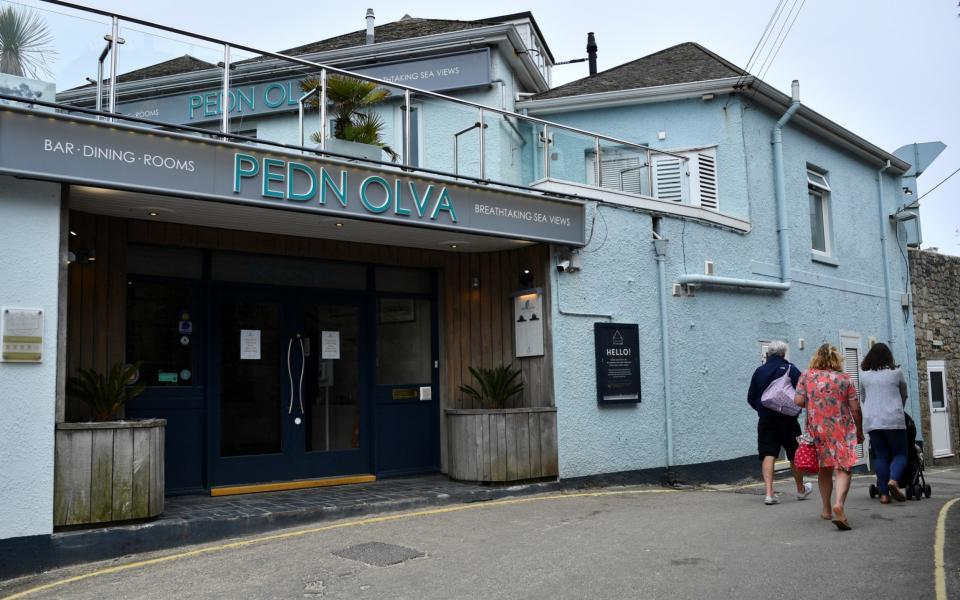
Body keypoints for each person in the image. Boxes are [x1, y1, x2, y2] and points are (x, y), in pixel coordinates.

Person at [794, 343, 864, 530]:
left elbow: (799, 401)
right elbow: (855, 409)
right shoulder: (845, 379)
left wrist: (815, 400)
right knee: (843, 468)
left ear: (816, 358)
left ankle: (826, 509)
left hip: (817, 429)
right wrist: (859, 430)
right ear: (837, 359)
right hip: (842, 429)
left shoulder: (806, 376)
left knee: (824, 468)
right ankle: (839, 504)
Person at [747, 340, 812, 505]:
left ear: (768, 354)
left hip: (766, 420)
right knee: (794, 454)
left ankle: (769, 493)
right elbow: (803, 392)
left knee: (768, 453)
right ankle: (800, 489)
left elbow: (751, 398)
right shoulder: (790, 368)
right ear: (783, 354)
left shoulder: (759, 371)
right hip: (788, 420)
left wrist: (764, 410)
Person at [860, 342, 909, 503]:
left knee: (880, 456)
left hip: (872, 420)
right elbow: (904, 394)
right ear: (889, 357)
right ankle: (893, 480)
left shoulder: (864, 376)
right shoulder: (897, 373)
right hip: (893, 419)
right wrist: (899, 408)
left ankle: (884, 495)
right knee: (900, 454)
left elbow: (863, 398)